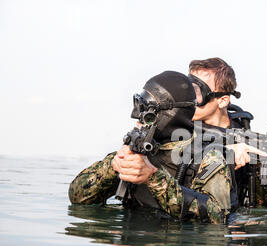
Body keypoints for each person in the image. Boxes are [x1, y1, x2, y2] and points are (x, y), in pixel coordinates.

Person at [69, 71, 236, 223]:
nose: (137, 116)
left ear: (172, 113)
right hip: (133, 245)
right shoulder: (139, 147)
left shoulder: (208, 156)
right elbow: (77, 198)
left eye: (147, 109)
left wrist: (153, 177)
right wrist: (113, 166)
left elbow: (218, 218)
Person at [187, 57, 267, 208]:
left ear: (222, 100)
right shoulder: (177, 127)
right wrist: (224, 153)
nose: (190, 99)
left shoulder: (248, 143)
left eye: (198, 92)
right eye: (188, 90)